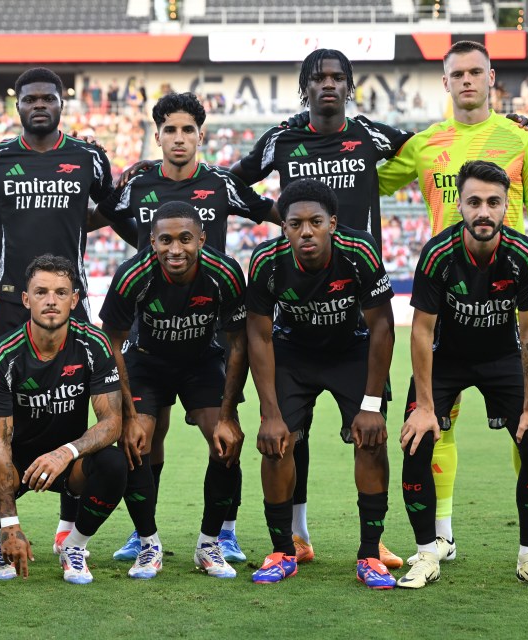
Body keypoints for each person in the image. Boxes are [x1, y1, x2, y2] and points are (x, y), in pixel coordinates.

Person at [377, 40, 528, 569]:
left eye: (476, 71)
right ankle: (442, 534)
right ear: (445, 81)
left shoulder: (519, 137)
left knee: (525, 415)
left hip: (509, 297)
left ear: (491, 77)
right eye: (457, 73)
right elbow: (370, 180)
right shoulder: (426, 143)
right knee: (437, 423)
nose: (467, 81)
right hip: (445, 301)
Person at [229, 48, 411, 569]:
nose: (328, 85)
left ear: (349, 86)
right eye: (318, 78)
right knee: (286, 435)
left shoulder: (372, 136)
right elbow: (234, 181)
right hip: (298, 313)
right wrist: (284, 217)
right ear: (304, 86)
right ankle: (291, 543)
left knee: (370, 433)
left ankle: (370, 544)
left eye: (337, 78)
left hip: (355, 305)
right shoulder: (283, 138)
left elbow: (429, 148)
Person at [96, 91, 277, 564]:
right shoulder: (137, 186)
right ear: (157, 135)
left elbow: (275, 213)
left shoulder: (221, 183)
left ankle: (225, 532)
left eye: (187, 130)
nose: (179, 138)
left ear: (201, 134)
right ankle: (144, 535)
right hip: (148, 339)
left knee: (223, 435)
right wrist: (115, 185)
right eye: (169, 130)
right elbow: (97, 218)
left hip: (208, 343)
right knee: (144, 438)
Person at [0, 67, 119, 558]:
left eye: (48, 97)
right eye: (30, 98)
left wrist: (82, 224)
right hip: (7, 304)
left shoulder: (89, 156)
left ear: (62, 101)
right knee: (1, 418)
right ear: (16, 104)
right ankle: (4, 523)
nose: (39, 104)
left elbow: (110, 207)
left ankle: (68, 528)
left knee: (74, 409)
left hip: (72, 304)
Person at [396, 161, 528, 589]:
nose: (483, 211)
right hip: (445, 356)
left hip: (500, 357)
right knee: (416, 439)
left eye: (493, 202)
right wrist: (426, 407)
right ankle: (428, 553)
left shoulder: (524, 254)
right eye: (474, 202)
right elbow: (421, 330)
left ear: (507, 205)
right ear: (460, 205)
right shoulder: (438, 253)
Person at [245, 178, 396, 588]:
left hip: (351, 351)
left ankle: (370, 554)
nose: (306, 231)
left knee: (371, 439)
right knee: (276, 444)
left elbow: (382, 325)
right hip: (293, 354)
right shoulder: (265, 262)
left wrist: (370, 404)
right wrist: (270, 413)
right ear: (284, 227)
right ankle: (282, 550)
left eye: (315, 222)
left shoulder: (359, 250)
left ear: (333, 222)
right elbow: (258, 336)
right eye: (295, 224)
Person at [0, 255, 126, 584]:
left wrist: (66, 452)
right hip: (15, 462)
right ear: (26, 299)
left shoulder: (94, 344)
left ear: (75, 299)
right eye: (41, 292)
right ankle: (4, 541)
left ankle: (73, 546)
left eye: (61, 292)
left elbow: (112, 423)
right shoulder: (3, 354)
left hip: (71, 462)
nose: (51, 301)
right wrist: (9, 524)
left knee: (116, 463)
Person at [99, 202, 248, 579]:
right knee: (135, 443)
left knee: (226, 441)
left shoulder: (225, 272)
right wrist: (128, 418)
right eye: (165, 240)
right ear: (152, 242)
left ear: (201, 238)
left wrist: (229, 414)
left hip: (201, 362)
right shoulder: (132, 274)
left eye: (185, 239)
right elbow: (112, 343)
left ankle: (209, 543)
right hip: (147, 363)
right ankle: (148, 543)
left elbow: (239, 342)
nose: (175, 249)